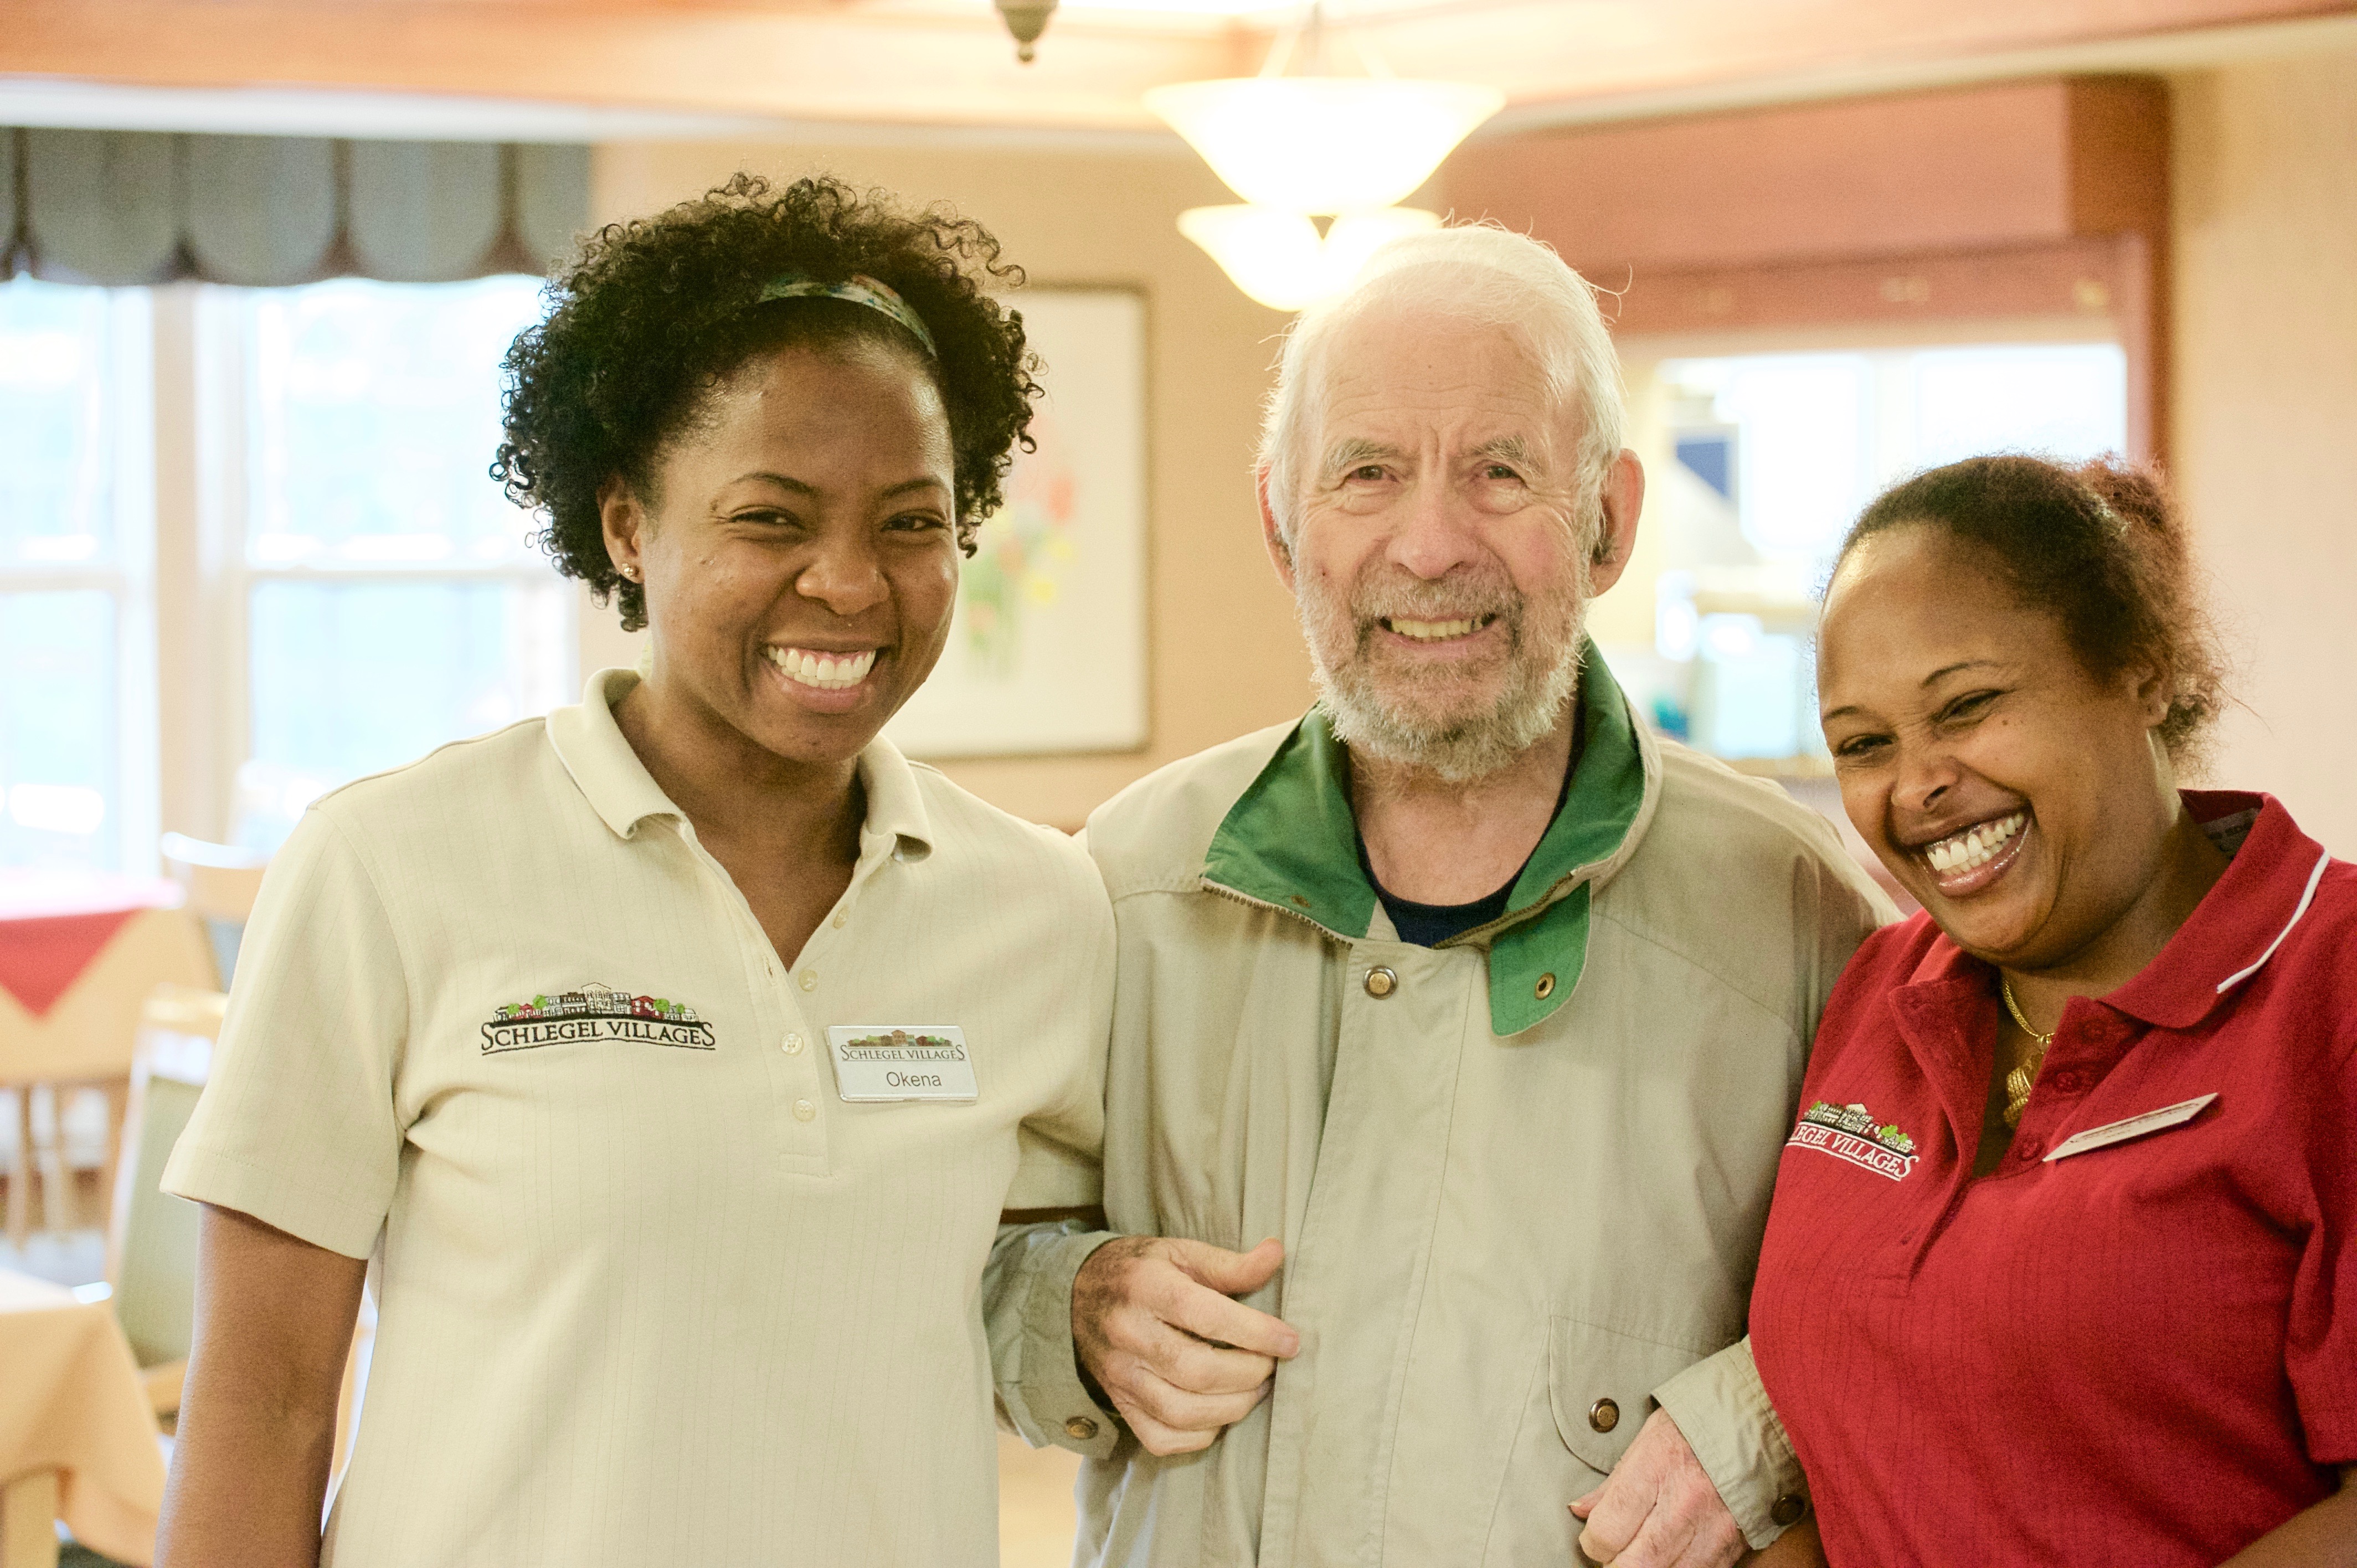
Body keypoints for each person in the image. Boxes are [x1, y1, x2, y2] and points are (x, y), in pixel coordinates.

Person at [154, 174, 1113, 1567]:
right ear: (624, 526)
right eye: (771, 519)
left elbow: (1028, 1288)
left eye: (910, 520)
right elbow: (265, 1391)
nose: (848, 583)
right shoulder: (392, 868)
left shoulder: (1038, 906)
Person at [997, 224, 1890, 1567]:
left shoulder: (1794, 912)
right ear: (1279, 526)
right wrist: (1066, 1303)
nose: (1429, 546)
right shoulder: (1122, 884)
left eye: (1498, 472)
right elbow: (957, 1253)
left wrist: (1763, 1417)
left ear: (1607, 520)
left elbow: (1936, 1299)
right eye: (1366, 473)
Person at [1750, 455, 2357, 1565]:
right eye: (1864, 743)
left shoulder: (2332, 995)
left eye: (1969, 706)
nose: (1919, 783)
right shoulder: (1878, 994)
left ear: (2142, 672)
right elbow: (1843, 1464)